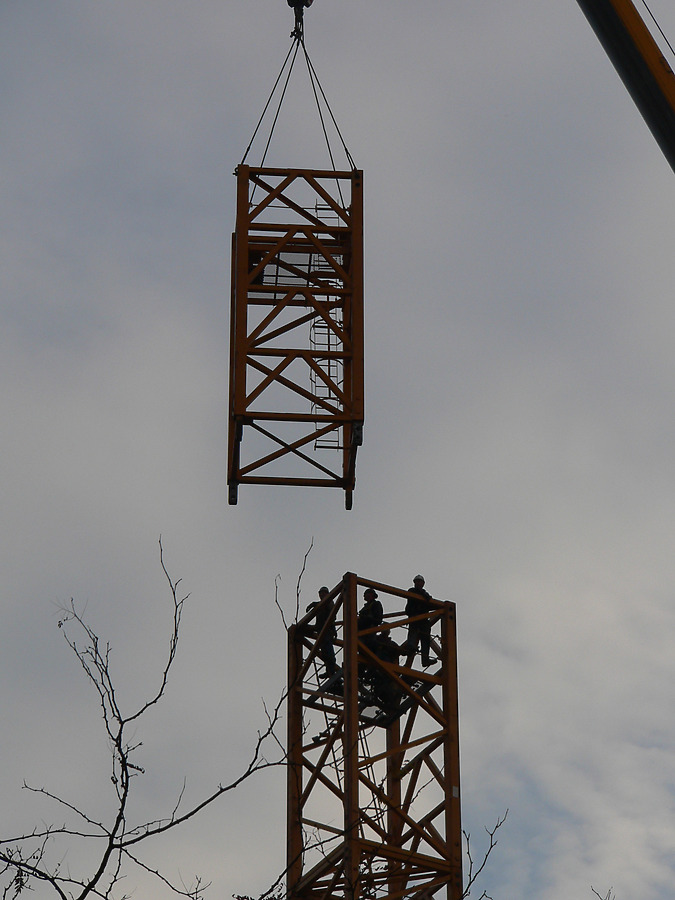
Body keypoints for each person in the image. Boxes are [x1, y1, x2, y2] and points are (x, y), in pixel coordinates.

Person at [402, 575, 434, 667]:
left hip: (422, 619)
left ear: (423, 583)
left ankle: (425, 659)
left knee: (425, 640)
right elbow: (422, 597)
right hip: (415, 617)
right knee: (413, 633)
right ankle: (411, 648)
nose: (418, 583)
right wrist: (426, 597)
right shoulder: (412, 591)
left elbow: (429, 601)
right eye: (417, 582)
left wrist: (427, 597)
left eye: (419, 582)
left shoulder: (424, 593)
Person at [306, 585, 336, 677]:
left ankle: (331, 672)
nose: (322, 595)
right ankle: (329, 672)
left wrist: (313, 604)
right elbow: (319, 624)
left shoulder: (329, 603)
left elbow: (330, 615)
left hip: (327, 630)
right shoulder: (320, 606)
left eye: (324, 593)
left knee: (329, 652)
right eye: (320, 593)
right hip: (321, 631)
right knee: (325, 653)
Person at [357, 587, 383, 654]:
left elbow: (378, 619)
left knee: (368, 648)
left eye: (366, 594)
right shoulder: (365, 607)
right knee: (361, 648)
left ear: (371, 595)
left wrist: (366, 618)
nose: (364, 596)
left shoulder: (376, 604)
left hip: (370, 630)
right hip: (362, 631)